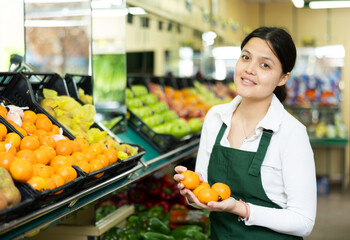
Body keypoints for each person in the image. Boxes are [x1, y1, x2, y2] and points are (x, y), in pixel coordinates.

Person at [173, 26, 317, 239]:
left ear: (283, 78)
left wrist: (240, 209)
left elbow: (303, 222)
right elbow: (205, 192)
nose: (249, 69)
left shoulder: (291, 133)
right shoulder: (215, 118)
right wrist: (191, 193)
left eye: (265, 65)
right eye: (246, 57)